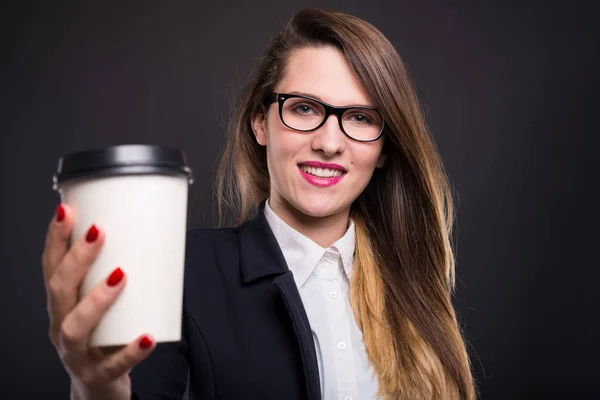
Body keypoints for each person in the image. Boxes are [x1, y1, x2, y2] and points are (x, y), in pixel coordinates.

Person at [42, 8, 476, 400]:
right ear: (260, 124)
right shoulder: (179, 272)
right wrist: (97, 389)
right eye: (304, 108)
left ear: (383, 148)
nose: (329, 143)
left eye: (360, 117)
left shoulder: (414, 288)